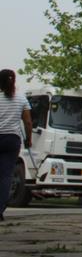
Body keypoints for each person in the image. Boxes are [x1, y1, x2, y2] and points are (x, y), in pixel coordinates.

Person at [0, 69, 32, 221]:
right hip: (12, 139)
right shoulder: (21, 99)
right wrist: (28, 139)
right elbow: (28, 122)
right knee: (6, 175)